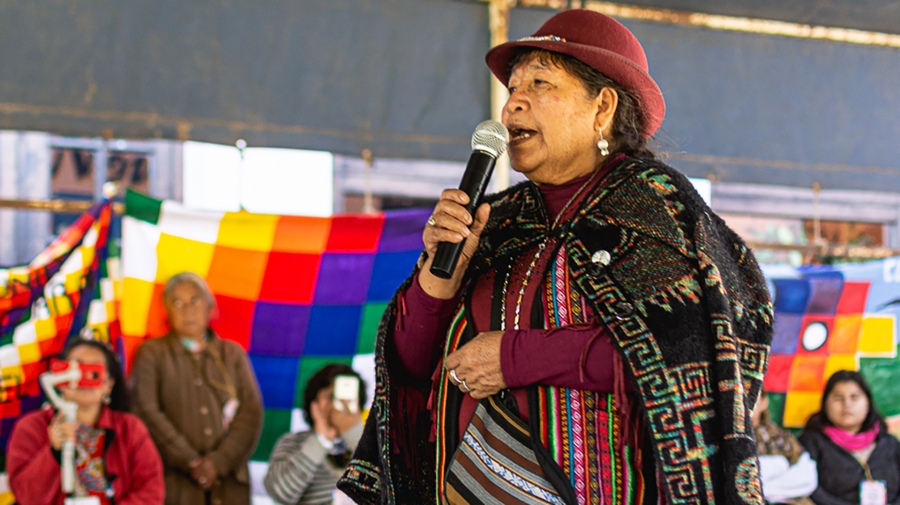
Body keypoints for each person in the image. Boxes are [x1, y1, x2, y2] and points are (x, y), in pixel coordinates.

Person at [338, 8, 773, 505]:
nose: (511, 107)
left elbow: (696, 354)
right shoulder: (496, 221)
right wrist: (438, 281)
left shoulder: (657, 211)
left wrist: (513, 357)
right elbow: (411, 368)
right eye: (511, 90)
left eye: (540, 83)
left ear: (602, 107)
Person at [130, 272, 263, 505]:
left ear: (210, 307)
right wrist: (191, 462)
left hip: (230, 484)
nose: (187, 309)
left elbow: (251, 412)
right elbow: (145, 411)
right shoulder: (152, 353)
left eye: (195, 300)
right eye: (177, 302)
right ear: (167, 311)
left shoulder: (232, 354)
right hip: (175, 485)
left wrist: (218, 463)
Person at [7, 338, 164, 504]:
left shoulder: (129, 428)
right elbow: (26, 497)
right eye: (76, 369)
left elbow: (151, 492)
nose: (83, 377)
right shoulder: (31, 427)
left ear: (109, 385)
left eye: (94, 372)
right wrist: (53, 452)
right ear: (61, 379)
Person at [264, 364, 366, 505]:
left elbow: (391, 487)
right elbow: (281, 493)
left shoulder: (374, 446)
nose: (339, 404)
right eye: (332, 397)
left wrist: (355, 434)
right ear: (314, 403)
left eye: (348, 398)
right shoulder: (293, 442)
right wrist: (321, 440)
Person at [799, 370, 900, 505]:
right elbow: (809, 490)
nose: (847, 404)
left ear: (868, 402)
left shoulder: (889, 443)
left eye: (854, 397)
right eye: (838, 398)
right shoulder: (810, 443)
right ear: (825, 404)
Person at [752, 389, 817, 504]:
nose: (743, 404)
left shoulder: (781, 438)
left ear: (764, 401)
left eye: (750, 397)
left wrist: (767, 489)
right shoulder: (723, 442)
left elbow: (806, 476)